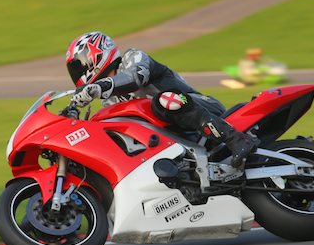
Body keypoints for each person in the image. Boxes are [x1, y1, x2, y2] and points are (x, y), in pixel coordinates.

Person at [65, 31, 258, 168]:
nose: (77, 74)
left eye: (78, 67)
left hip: (202, 108)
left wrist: (100, 86)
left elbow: (134, 78)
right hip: (175, 135)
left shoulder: (133, 58)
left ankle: (236, 139)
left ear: (95, 56)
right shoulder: (109, 102)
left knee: (164, 101)